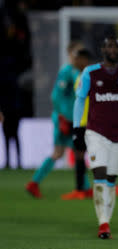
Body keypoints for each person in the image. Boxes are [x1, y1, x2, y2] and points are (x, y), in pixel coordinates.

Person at [72, 35, 118, 239]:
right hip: (96, 132)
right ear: (102, 50)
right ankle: (103, 223)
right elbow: (79, 99)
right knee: (100, 175)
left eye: (116, 46)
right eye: (109, 46)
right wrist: (78, 128)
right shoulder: (90, 72)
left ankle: (106, 219)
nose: (112, 49)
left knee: (112, 178)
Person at [25, 44, 92, 198]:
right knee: (59, 152)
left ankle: (85, 187)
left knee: (77, 152)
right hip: (64, 119)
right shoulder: (67, 72)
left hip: (71, 118)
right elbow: (56, 96)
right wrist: (64, 117)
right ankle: (34, 183)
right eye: (77, 54)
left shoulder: (76, 72)